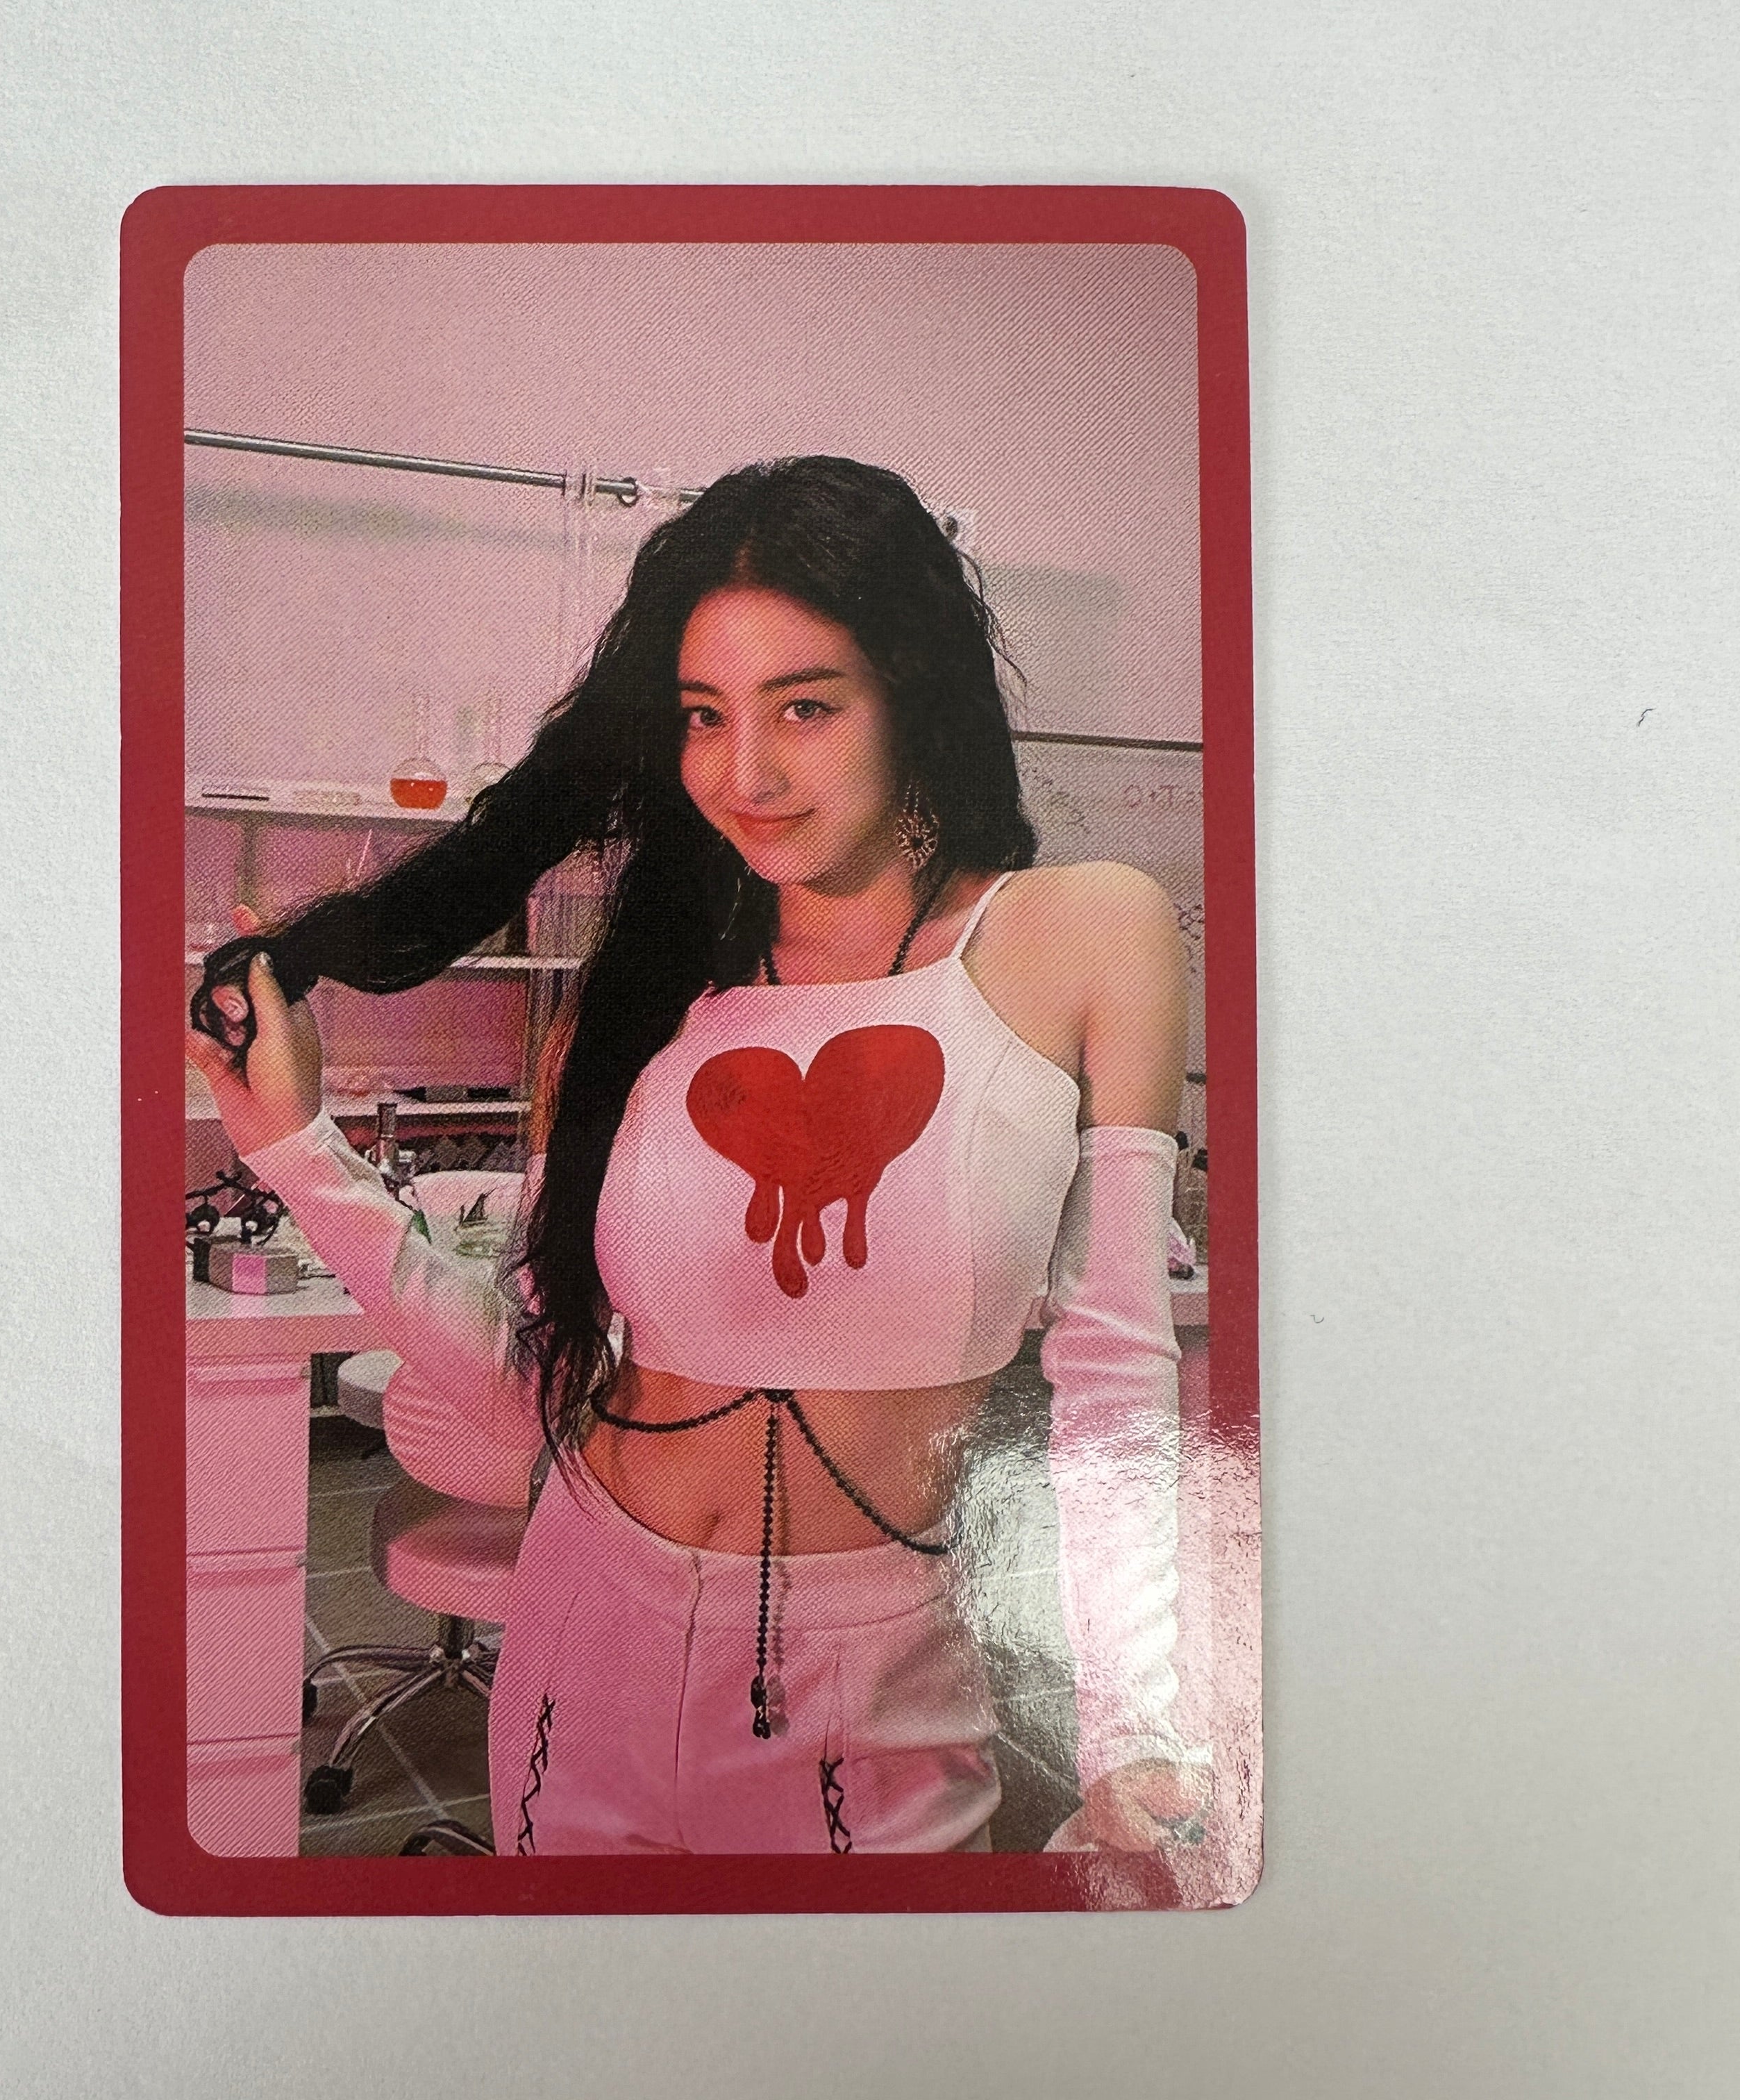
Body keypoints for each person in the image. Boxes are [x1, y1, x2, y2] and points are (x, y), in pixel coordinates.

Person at [185, 456, 1212, 1855]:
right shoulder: (648, 1001)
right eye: (702, 716)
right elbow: (530, 1391)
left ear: (913, 693)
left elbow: (1113, 1372)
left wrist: (1136, 1726)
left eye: (806, 706)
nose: (746, 775)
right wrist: (296, 1150)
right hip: (581, 1631)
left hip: (874, 1692)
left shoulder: (1080, 933)